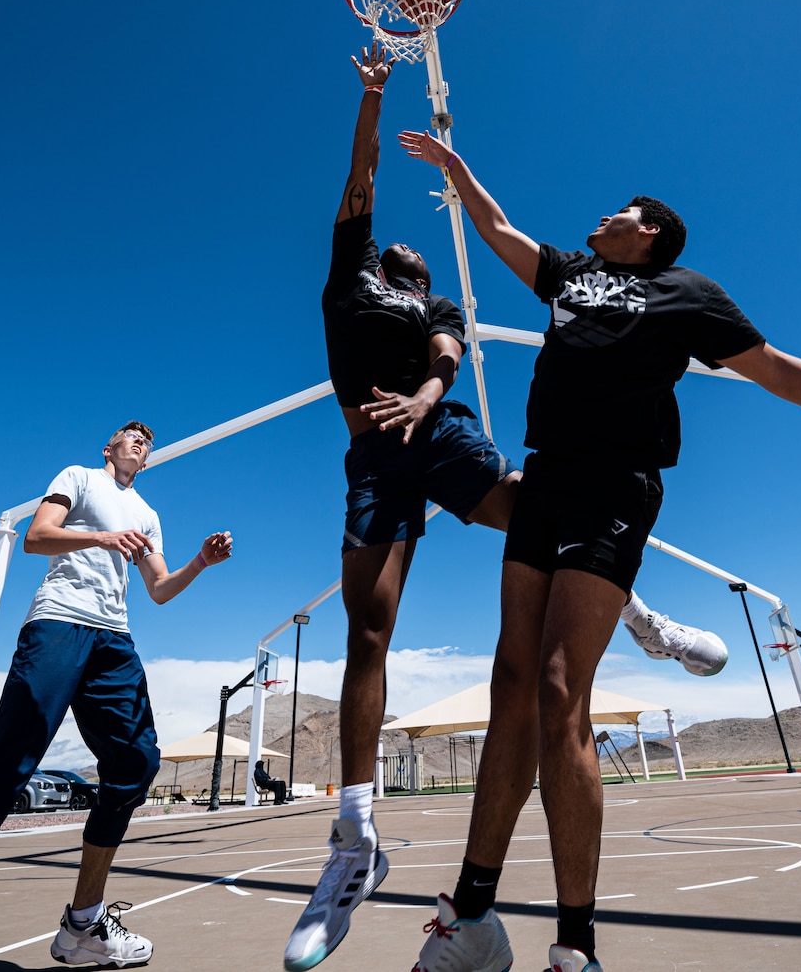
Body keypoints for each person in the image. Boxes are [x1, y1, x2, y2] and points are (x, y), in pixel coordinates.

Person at [393, 134, 801, 972]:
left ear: (651, 234)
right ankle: (474, 917)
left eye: (621, 213)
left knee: (564, 688)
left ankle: (575, 943)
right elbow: (496, 230)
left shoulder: (688, 292)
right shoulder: (569, 275)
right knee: (512, 686)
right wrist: (455, 168)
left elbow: (777, 370)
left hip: (615, 486)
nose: (602, 215)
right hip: (548, 480)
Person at [288, 51, 726, 972]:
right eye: (397, 248)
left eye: (412, 256)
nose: (406, 249)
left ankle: (634, 609)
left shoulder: (431, 301)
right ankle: (354, 838)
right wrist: (370, 89)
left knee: (536, 508)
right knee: (367, 630)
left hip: (436, 431)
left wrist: (425, 392)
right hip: (373, 456)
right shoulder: (349, 275)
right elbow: (361, 175)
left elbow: (448, 349)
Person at [0, 423, 234, 972]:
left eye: (147, 440)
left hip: (114, 638)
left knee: (136, 765)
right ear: (108, 447)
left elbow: (158, 588)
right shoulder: (79, 477)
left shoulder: (149, 514)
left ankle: (83, 924)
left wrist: (200, 563)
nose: (140, 441)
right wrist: (100, 538)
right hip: (59, 625)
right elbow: (37, 537)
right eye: (128, 435)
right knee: (2, 773)